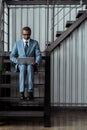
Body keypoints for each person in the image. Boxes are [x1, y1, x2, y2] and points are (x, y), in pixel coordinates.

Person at [10, 26, 41, 100]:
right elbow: (12, 56)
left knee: (30, 68)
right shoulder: (17, 43)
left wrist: (36, 62)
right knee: (23, 67)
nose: (26, 36)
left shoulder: (35, 43)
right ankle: (22, 92)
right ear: (22, 34)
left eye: (28, 34)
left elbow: (38, 55)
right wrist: (18, 61)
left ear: (30, 34)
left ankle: (30, 93)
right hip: (21, 64)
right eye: (24, 34)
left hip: (31, 64)